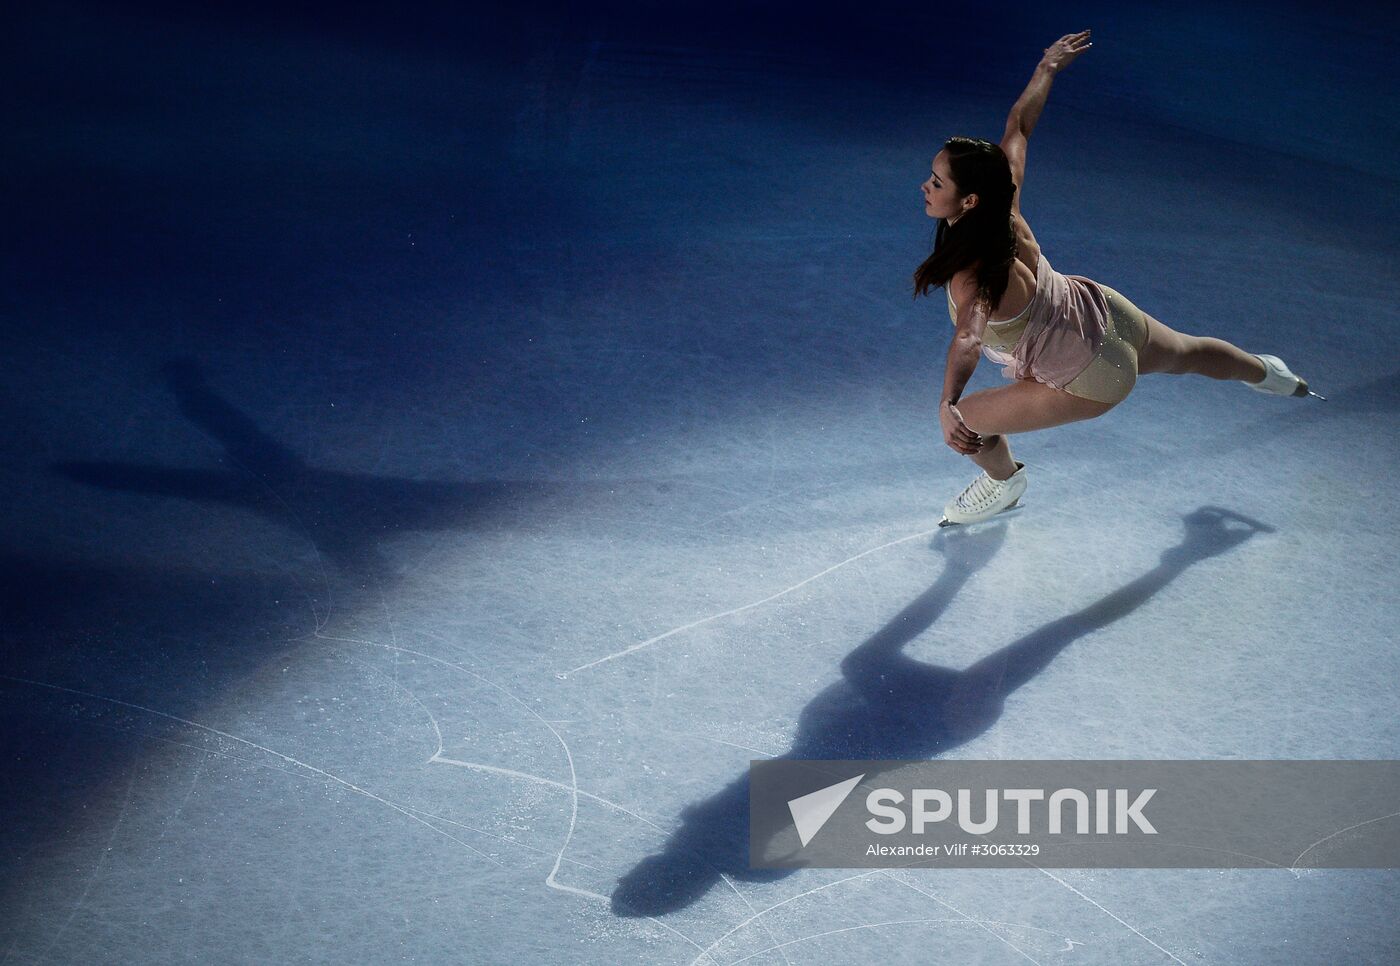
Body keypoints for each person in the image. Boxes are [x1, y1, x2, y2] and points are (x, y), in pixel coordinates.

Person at [916, 29, 1318, 526]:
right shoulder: (1006, 202)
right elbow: (1017, 128)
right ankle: (1271, 374)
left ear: (969, 200)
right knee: (1189, 353)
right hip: (1102, 311)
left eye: (937, 182)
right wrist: (1047, 68)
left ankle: (1004, 481)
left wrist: (947, 403)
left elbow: (969, 339)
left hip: (1090, 375)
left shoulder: (972, 272)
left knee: (967, 421)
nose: (926, 187)